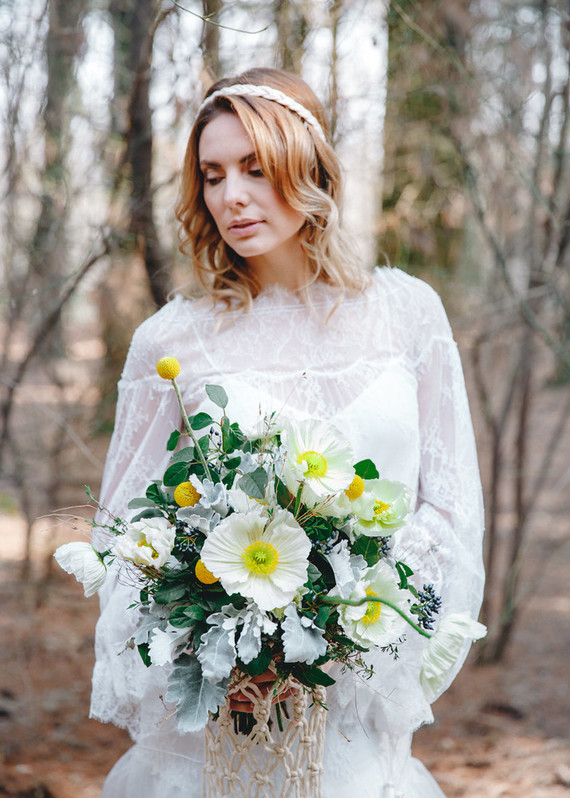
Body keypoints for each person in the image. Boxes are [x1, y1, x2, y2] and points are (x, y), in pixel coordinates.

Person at [92, 67, 485, 797]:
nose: (230, 196)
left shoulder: (410, 314)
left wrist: (359, 621)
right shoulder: (171, 341)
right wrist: (218, 648)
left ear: (307, 169)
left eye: (253, 167)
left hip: (356, 717)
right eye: (212, 176)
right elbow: (123, 534)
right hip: (222, 721)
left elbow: (450, 503)